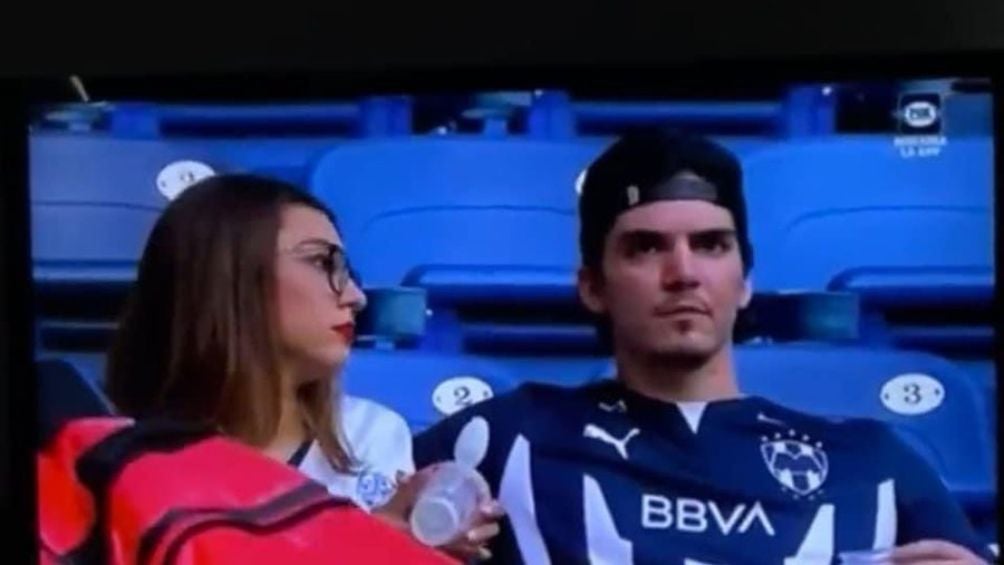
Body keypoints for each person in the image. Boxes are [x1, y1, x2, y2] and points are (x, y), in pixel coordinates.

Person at [413, 130, 993, 563]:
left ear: (744, 282)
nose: (683, 272)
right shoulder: (505, 438)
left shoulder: (872, 462)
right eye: (645, 248)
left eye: (712, 245)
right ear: (592, 287)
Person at [104, 174, 502, 560]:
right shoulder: (119, 460)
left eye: (347, 272)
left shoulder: (372, 436)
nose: (356, 297)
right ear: (229, 276)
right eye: (321, 262)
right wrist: (369, 541)